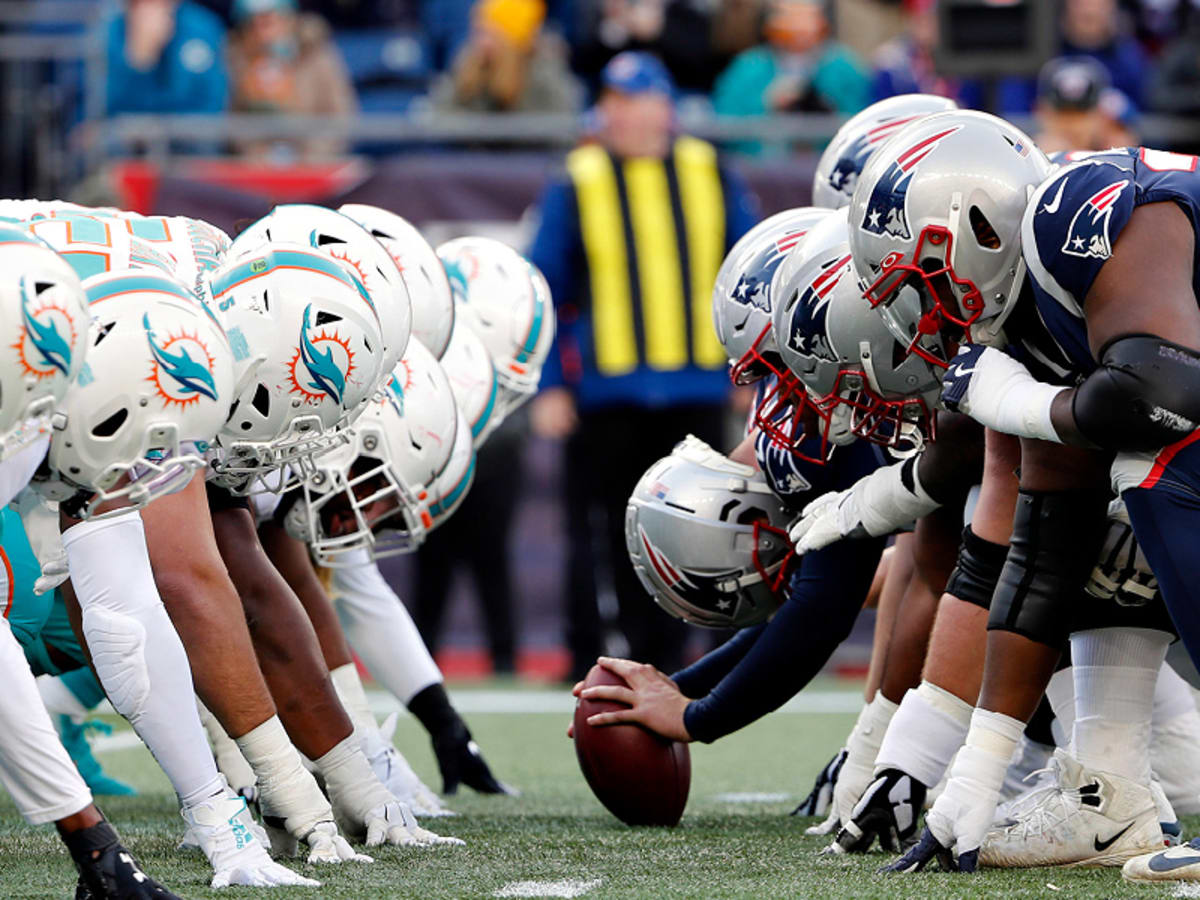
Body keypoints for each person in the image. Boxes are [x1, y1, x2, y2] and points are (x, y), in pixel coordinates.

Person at [528, 51, 758, 681]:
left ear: (665, 108)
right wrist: (550, 385)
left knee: (705, 530)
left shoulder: (709, 171)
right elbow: (546, 287)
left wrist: (751, 371)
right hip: (605, 394)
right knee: (606, 535)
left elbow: (752, 275)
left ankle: (699, 660)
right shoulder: (577, 177)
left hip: (695, 388)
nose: (625, 114)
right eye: (616, 101)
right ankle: (599, 658)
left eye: (638, 100)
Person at [713, 0, 870, 156]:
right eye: (790, 16)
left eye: (806, 17)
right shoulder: (748, 67)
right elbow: (725, 121)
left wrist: (824, 108)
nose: (799, 26)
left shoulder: (843, 68)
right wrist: (768, 103)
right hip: (761, 165)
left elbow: (862, 120)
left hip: (825, 160)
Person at [227, 0, 358, 160]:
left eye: (268, 21)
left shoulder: (317, 52)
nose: (261, 30)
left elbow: (341, 114)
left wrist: (311, 156)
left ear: (288, 18)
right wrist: (259, 157)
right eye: (252, 22)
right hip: (256, 168)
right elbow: (234, 117)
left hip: (315, 163)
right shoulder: (237, 58)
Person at [430, 0, 581, 114]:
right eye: (479, 33)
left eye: (490, 34)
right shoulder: (468, 66)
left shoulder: (544, 73)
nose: (481, 42)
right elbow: (440, 111)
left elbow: (562, 124)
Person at [106, 0, 228, 115]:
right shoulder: (107, 32)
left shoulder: (203, 29)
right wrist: (140, 61)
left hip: (187, 134)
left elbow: (210, 105)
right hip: (123, 135)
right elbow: (105, 109)